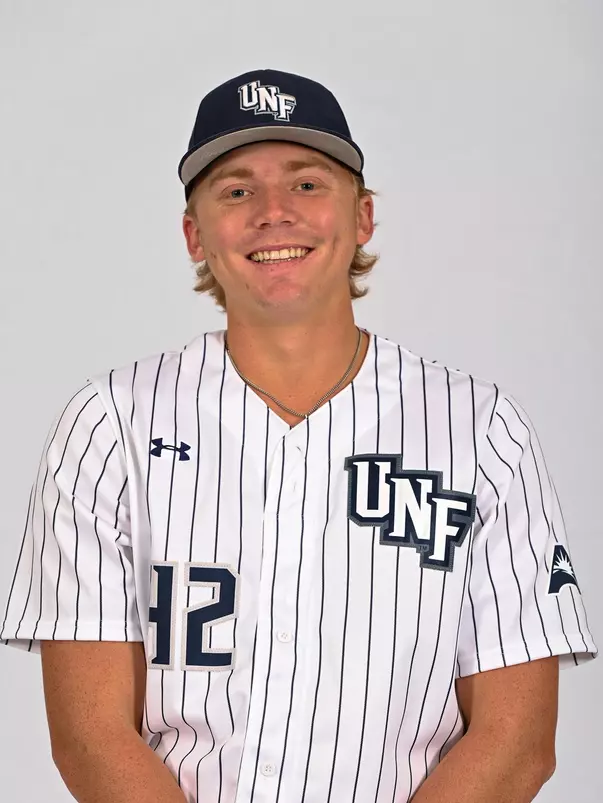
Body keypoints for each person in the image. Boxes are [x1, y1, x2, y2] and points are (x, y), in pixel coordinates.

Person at [0, 68, 598, 803]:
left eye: (307, 183)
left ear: (363, 217)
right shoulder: (108, 425)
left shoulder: (480, 430)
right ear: (194, 234)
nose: (273, 213)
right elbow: (92, 738)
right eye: (236, 191)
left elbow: (515, 743)